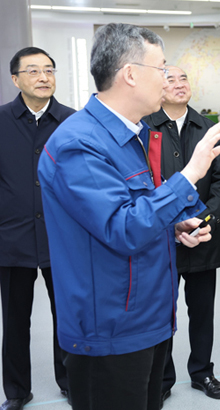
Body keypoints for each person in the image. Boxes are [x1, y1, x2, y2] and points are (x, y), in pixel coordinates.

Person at [37, 23, 220, 410]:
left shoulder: (132, 134)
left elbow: (134, 209)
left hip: (147, 320)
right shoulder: (80, 143)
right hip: (109, 330)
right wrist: (191, 173)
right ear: (130, 74)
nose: (167, 79)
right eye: (161, 68)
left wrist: (174, 225)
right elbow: (121, 228)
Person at [142, 66, 220, 404]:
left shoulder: (206, 126)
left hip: (205, 234)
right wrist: (171, 223)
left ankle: (202, 372)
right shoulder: (145, 127)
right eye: (170, 79)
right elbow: (145, 183)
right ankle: (163, 378)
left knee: (202, 310)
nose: (179, 85)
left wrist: (204, 219)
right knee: (162, 311)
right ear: (158, 87)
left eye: (184, 79)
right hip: (161, 237)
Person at [0, 47, 74, 410]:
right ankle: (17, 391)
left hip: (63, 240)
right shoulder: (0, 121)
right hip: (11, 239)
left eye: (49, 69)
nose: (43, 77)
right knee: (15, 321)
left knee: (68, 316)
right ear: (15, 79)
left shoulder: (73, 122)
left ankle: (71, 382)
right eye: (33, 71)